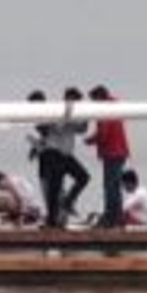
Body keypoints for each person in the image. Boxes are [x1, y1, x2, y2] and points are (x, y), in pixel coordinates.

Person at [30, 88, 92, 228]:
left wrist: (86, 117)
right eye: (75, 100)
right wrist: (68, 113)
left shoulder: (73, 113)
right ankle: (52, 220)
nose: (76, 102)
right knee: (55, 187)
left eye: (78, 101)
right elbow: (58, 127)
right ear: (68, 98)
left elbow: (81, 130)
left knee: (84, 177)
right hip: (54, 152)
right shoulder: (56, 109)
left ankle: (67, 202)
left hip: (66, 154)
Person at [84, 85, 130, 228]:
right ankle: (118, 217)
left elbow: (103, 134)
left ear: (99, 98)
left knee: (110, 186)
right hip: (120, 151)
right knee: (115, 186)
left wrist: (90, 140)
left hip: (112, 153)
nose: (93, 104)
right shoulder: (114, 106)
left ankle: (111, 217)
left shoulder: (105, 110)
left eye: (93, 100)